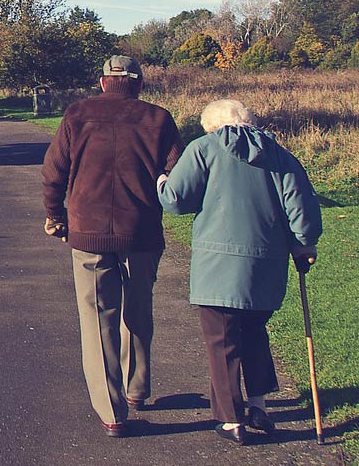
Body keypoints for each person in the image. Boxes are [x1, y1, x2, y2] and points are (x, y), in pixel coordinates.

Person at [156, 99, 322, 445]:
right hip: (267, 265)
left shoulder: (204, 149)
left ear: (212, 126)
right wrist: (304, 244)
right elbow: (301, 211)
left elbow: (175, 200)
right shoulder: (280, 155)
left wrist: (160, 181)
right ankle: (259, 405)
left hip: (217, 266)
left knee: (222, 341)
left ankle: (231, 419)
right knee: (254, 331)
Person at [42, 56, 184, 437]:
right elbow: (177, 173)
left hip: (88, 233)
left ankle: (112, 411)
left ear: (103, 82)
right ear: (139, 84)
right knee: (139, 309)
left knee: (97, 319)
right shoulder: (158, 118)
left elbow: (53, 171)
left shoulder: (77, 114)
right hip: (142, 232)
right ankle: (137, 388)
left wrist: (55, 216)